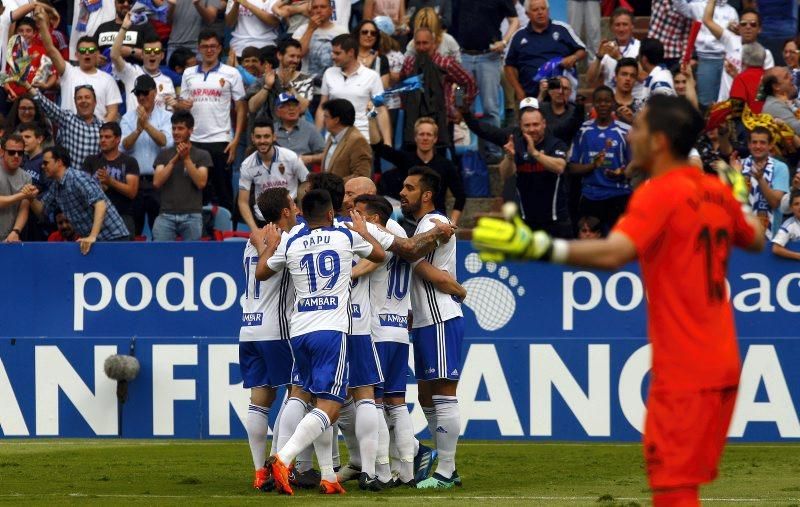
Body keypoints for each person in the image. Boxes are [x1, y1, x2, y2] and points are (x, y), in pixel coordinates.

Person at [471, 94, 765, 507]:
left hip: (684, 365)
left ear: (659, 140)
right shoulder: (714, 192)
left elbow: (613, 253)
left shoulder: (659, 192)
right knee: (685, 486)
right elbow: (754, 237)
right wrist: (736, 197)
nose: (633, 134)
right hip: (723, 360)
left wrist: (538, 246)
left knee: (673, 488)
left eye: (640, 127)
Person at [260, 189, 388, 495]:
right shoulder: (345, 236)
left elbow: (262, 272)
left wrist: (271, 247)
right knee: (330, 408)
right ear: (331, 213)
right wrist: (362, 232)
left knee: (314, 401)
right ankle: (283, 458)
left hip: (299, 331)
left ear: (303, 213)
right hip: (330, 330)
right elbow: (380, 256)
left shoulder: (291, 241)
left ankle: (329, 476)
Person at [397, 166, 464, 489]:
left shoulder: (434, 224)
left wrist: (457, 288)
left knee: (443, 392)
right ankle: (444, 460)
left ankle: (447, 470)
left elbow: (432, 273)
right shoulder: (425, 225)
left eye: (409, 188)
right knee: (425, 395)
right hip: (424, 320)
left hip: (439, 317)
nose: (402, 192)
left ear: (426, 195)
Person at [239, 186, 299, 491]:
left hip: (249, 327)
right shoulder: (284, 241)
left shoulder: (252, 242)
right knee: (299, 392)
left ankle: (258, 470)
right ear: (285, 211)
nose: (298, 208)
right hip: (277, 329)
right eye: (294, 204)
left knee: (259, 401)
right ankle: (280, 461)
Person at [177, 29, 246, 212]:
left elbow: (241, 107)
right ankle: (200, 236)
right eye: (205, 46)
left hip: (221, 141)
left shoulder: (231, 73)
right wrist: (181, 104)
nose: (209, 50)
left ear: (220, 48)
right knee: (196, 193)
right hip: (195, 141)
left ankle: (227, 236)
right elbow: (184, 107)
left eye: (213, 46)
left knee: (224, 192)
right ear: (199, 48)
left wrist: (236, 139)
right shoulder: (188, 73)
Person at [28, 146, 131, 254]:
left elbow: (100, 204)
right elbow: (41, 212)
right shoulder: (56, 186)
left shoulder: (77, 178)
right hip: (93, 242)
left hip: (114, 238)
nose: (43, 166)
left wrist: (92, 236)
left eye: (46, 163)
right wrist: (30, 197)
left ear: (59, 162)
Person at [451, 0, 518, 160]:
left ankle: (493, 152)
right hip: (462, 57)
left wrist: (504, 41)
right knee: (461, 104)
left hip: (489, 57)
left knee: (490, 108)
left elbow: (514, 20)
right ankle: (467, 149)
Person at [369, 115, 465, 225]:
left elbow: (460, 197)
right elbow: (377, 147)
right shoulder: (405, 159)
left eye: (429, 134)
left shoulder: (446, 165)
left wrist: (452, 222)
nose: (425, 138)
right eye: (421, 134)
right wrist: (371, 119)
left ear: (435, 139)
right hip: (408, 222)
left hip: (437, 222)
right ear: (415, 137)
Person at [35, 8, 121, 122]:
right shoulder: (68, 72)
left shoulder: (108, 79)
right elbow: (50, 49)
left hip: (97, 135)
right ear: (76, 55)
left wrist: (99, 133)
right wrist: (42, 23)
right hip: (69, 133)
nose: (87, 53)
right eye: (82, 51)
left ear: (97, 54)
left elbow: (112, 111)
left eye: (91, 50)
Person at [399, 26, 477, 152]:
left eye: (425, 43)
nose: (421, 47)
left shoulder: (445, 63)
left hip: (441, 120)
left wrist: (460, 106)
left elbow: (465, 82)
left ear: (434, 44)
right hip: (414, 120)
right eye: (418, 43)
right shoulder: (409, 63)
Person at [569, 86, 632, 233]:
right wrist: (592, 166)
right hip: (591, 196)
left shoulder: (625, 131)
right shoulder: (583, 130)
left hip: (619, 195)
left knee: (618, 243)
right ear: (593, 104)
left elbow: (634, 164)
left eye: (607, 101)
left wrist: (621, 173)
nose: (603, 104)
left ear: (613, 104)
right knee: (591, 243)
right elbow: (571, 167)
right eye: (599, 101)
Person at [121, 74, 174, 236]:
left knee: (160, 233)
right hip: (134, 183)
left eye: (145, 92)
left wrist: (146, 125)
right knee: (133, 232)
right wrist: (138, 129)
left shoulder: (166, 116)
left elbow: (166, 143)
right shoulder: (128, 117)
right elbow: (123, 146)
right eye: (138, 93)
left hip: (158, 183)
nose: (141, 97)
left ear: (154, 92)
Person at [505, 0, 586, 101]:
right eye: (535, 10)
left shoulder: (562, 28)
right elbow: (508, 66)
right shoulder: (518, 35)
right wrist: (518, 90)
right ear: (527, 14)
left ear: (548, 10)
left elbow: (582, 50)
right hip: (530, 96)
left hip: (561, 95)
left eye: (543, 9)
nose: (540, 12)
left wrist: (573, 57)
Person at [237, 117, 309, 231]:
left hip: (291, 219)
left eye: (266, 136)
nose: (262, 141)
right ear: (252, 138)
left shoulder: (290, 157)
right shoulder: (247, 165)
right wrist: (254, 229)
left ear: (274, 137)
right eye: (258, 137)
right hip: (263, 221)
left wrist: (301, 209)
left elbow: (308, 184)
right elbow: (242, 201)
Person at [317, 34, 390, 144]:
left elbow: (380, 110)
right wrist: (317, 138)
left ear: (351, 52)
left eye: (337, 53)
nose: (332, 56)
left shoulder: (372, 76)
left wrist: (387, 142)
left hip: (362, 137)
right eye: (332, 52)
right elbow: (322, 107)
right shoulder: (329, 73)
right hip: (333, 138)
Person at [152, 111, 211, 241]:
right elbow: (157, 182)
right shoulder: (164, 154)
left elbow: (201, 182)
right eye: (173, 128)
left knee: (193, 256)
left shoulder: (202, 155)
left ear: (190, 130)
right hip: (166, 215)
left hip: (193, 215)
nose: (176, 132)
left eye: (180, 128)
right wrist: (174, 160)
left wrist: (186, 159)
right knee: (159, 254)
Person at [703, 0, 775, 102]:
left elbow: (766, 88)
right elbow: (707, 20)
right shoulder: (730, 39)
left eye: (753, 24)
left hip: (748, 109)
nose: (748, 27)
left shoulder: (765, 54)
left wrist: (738, 76)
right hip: (724, 104)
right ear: (739, 27)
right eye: (744, 24)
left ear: (760, 29)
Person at [24, 80, 103, 172]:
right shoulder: (68, 119)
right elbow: (47, 105)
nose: (83, 101)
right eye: (79, 98)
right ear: (75, 102)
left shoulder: (103, 127)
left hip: (91, 183)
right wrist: (27, 85)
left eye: (87, 97)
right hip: (68, 181)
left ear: (95, 102)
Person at [672, 0, 739, 107]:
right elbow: (679, 5)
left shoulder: (732, 11)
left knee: (726, 100)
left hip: (727, 61)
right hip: (707, 59)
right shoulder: (699, 5)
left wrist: (735, 30)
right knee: (705, 102)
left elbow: (736, 39)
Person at [82, 122, 140, 239]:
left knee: (124, 256)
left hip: (123, 216)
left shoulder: (129, 161)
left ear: (118, 139)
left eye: (107, 137)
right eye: (101, 137)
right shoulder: (90, 161)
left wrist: (110, 182)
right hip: (96, 217)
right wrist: (99, 186)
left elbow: (132, 192)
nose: (103, 140)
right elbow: (84, 190)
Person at [110, 13, 176, 113]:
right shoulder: (132, 72)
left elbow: (170, 113)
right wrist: (124, 28)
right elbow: (114, 55)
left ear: (162, 56)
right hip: (133, 127)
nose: (152, 54)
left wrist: (174, 106)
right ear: (142, 55)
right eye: (148, 51)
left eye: (157, 51)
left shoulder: (167, 81)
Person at [736, 126, 789, 238]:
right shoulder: (738, 165)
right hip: (741, 237)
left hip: (769, 238)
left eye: (762, 143)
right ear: (749, 145)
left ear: (770, 145)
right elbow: (734, 201)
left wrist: (760, 179)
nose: (758, 146)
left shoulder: (780, 168)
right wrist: (734, 175)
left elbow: (775, 202)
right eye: (754, 142)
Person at [292, 0, 349, 102]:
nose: (319, 10)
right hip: (306, 88)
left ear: (331, 10)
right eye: (315, 7)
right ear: (310, 11)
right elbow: (298, 54)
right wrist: (310, 29)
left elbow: (348, 60)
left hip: (334, 88)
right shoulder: (301, 30)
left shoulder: (342, 31)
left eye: (323, 7)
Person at [248, 39, 314, 121]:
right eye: (292, 56)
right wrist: (267, 86)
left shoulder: (305, 79)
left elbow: (302, 108)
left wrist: (288, 86)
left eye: (298, 57)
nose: (296, 60)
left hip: (295, 130)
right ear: (279, 55)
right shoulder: (267, 77)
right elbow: (252, 107)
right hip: (270, 129)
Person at [586, 8, 640, 89]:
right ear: (611, 28)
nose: (621, 29)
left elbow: (643, 77)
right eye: (617, 25)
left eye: (625, 24)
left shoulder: (640, 47)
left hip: (634, 98)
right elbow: (590, 79)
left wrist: (619, 58)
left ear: (632, 26)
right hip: (611, 99)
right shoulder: (607, 47)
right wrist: (599, 57)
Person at [319, 99, 372, 180]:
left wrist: (333, 185)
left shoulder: (358, 141)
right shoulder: (332, 136)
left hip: (343, 192)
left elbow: (361, 176)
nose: (323, 120)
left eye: (326, 116)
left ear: (336, 120)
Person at [273, 93, 325, 166]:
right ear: (277, 112)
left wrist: (310, 158)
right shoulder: (271, 130)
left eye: (295, 105)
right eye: (287, 105)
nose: (291, 108)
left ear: (299, 109)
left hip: (305, 173)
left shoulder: (309, 129)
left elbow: (325, 155)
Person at [0, 135, 34, 242]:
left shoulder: (26, 177)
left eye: (20, 153)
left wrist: (16, 231)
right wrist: (22, 195)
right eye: (11, 152)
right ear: (2, 152)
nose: (16, 156)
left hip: (11, 237)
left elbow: (24, 208)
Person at [647, 0, 691, 69]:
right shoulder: (658, 2)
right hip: (652, 51)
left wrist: (684, 61)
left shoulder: (688, 7)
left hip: (673, 55)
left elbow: (686, 36)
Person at [634, 38, 676, 108]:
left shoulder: (660, 80)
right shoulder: (657, 76)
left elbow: (664, 111)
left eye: (639, 57)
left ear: (644, 59)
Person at [761, 66, 800, 135]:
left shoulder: (790, 99)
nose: (792, 77)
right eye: (786, 77)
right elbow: (798, 130)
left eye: (789, 74)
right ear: (776, 86)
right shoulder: (773, 106)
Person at [730, 43, 767, 113]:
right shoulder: (770, 75)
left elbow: (736, 107)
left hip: (750, 121)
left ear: (743, 60)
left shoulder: (740, 79)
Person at [772, 189, 800, 260]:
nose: (799, 207)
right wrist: (797, 256)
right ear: (791, 208)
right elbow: (776, 248)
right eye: (796, 204)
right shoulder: (789, 225)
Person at [19, 122, 47, 192]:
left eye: (27, 137)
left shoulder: (46, 161)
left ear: (39, 139)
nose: (23, 140)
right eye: (21, 137)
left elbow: (49, 190)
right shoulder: (20, 158)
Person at [611, 58, 639, 124]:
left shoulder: (641, 107)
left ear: (635, 80)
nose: (628, 79)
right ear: (615, 77)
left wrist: (633, 121)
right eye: (624, 74)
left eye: (632, 76)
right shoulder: (605, 104)